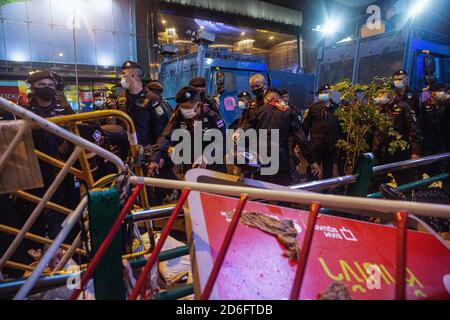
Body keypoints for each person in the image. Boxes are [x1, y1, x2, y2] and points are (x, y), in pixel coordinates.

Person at [16, 70, 79, 245]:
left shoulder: (64, 109)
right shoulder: (23, 111)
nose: (47, 88)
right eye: (42, 85)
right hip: (33, 173)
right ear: (33, 88)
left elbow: (75, 136)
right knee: (33, 217)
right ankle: (35, 255)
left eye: (51, 85)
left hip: (61, 171)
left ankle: (67, 255)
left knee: (63, 219)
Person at [146, 86, 227, 178]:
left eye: (187, 107)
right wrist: (156, 157)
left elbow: (221, 143)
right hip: (190, 167)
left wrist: (207, 156)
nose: (184, 110)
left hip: (213, 169)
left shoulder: (213, 118)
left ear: (198, 105)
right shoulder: (179, 116)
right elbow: (166, 135)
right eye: (181, 107)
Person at [247, 88, 322, 186]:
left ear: (267, 99)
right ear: (279, 99)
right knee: (283, 193)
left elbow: (245, 135)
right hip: (281, 160)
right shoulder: (289, 112)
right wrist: (312, 161)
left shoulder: (256, 112)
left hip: (261, 160)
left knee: (261, 192)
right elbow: (301, 138)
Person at [370, 86, 422, 187]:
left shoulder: (403, 107)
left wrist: (416, 151)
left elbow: (414, 129)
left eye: (383, 94)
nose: (380, 96)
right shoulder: (378, 109)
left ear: (391, 94)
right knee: (375, 184)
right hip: (380, 153)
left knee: (404, 184)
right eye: (379, 94)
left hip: (399, 153)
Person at [117, 61, 171, 147]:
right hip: (126, 148)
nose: (121, 77)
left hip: (145, 150)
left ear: (132, 75)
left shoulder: (152, 99)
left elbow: (161, 130)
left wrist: (158, 155)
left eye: (124, 74)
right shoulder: (122, 99)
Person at [302, 84, 340, 180]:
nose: (325, 94)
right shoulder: (314, 108)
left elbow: (340, 127)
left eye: (327, 92)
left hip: (330, 147)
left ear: (330, 94)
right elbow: (305, 126)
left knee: (328, 172)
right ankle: (310, 192)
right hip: (316, 145)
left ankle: (326, 192)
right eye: (322, 93)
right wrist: (303, 142)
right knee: (313, 171)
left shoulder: (336, 108)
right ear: (319, 95)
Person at [419, 83, 448, 176]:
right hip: (427, 143)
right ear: (432, 93)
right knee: (427, 168)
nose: (442, 93)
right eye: (439, 91)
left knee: (439, 169)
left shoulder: (443, 104)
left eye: (443, 91)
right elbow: (421, 123)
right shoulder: (424, 105)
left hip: (440, 142)